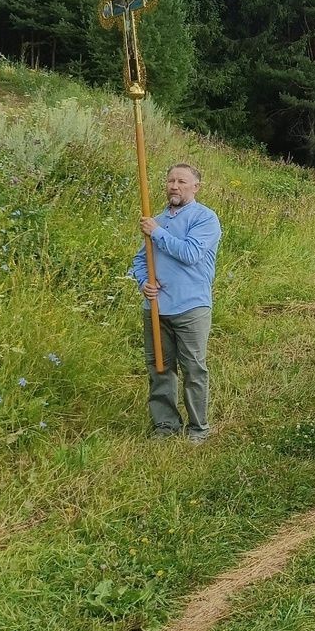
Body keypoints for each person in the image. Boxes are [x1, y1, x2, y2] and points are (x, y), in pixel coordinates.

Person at [131, 163, 222, 443]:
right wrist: (144, 282)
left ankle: (198, 428)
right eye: (170, 180)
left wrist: (157, 232)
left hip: (191, 306)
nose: (174, 186)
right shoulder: (157, 219)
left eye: (182, 181)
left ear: (195, 187)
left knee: (193, 368)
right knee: (159, 366)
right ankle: (166, 425)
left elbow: (191, 253)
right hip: (157, 308)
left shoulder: (204, 218)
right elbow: (139, 260)